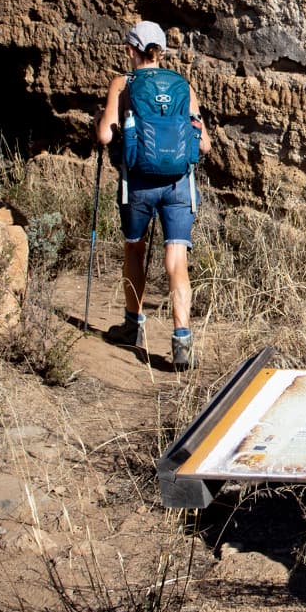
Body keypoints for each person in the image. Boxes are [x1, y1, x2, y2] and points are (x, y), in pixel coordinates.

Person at [95, 20, 211, 371]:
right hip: (179, 184)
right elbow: (204, 143)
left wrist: (104, 119)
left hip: (139, 184)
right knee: (176, 259)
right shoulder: (183, 87)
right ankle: (182, 340)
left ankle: (133, 326)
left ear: (131, 49)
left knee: (135, 247)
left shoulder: (123, 84)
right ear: (160, 51)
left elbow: (104, 136)